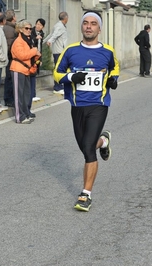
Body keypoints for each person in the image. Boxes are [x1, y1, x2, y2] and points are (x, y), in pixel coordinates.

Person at [54, 11, 119, 212]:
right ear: (81, 27)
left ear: (99, 28)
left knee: (88, 149)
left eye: (93, 24)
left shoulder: (108, 51)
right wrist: (71, 77)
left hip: (98, 105)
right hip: (77, 105)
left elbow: (115, 69)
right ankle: (104, 141)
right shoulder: (71, 50)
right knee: (84, 145)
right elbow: (57, 74)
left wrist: (112, 80)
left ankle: (85, 194)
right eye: (85, 23)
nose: (89, 27)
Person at [10, 20, 41, 124]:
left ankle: (25, 114)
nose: (29, 30)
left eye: (30, 28)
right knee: (19, 95)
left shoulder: (27, 40)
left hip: (26, 70)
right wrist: (34, 51)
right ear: (20, 29)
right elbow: (22, 55)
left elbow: (29, 55)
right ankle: (20, 117)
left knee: (26, 94)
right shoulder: (18, 41)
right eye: (26, 28)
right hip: (18, 69)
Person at [44, 11, 68, 95]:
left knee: (60, 68)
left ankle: (59, 86)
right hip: (59, 51)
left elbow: (51, 34)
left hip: (59, 50)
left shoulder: (58, 25)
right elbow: (54, 35)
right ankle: (57, 87)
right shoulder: (59, 26)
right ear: (65, 18)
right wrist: (49, 41)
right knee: (59, 69)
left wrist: (44, 41)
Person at [28, 18, 46, 116]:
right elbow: (31, 42)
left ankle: (33, 94)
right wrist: (36, 38)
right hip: (32, 56)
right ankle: (32, 94)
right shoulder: (32, 32)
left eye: (40, 25)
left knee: (35, 74)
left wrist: (41, 59)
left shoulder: (42, 33)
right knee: (32, 74)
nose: (38, 26)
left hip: (38, 56)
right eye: (37, 24)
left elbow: (41, 47)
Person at [3, 9, 17, 107]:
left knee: (9, 78)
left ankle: (9, 98)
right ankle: (9, 99)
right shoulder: (10, 29)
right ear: (13, 17)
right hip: (10, 57)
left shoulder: (7, 27)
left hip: (8, 57)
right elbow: (10, 45)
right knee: (9, 78)